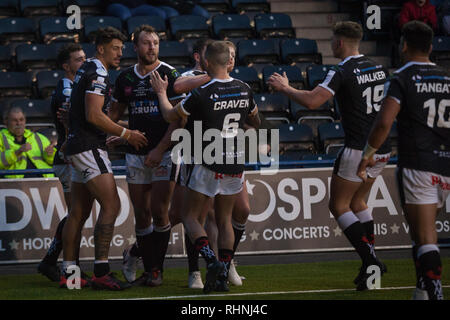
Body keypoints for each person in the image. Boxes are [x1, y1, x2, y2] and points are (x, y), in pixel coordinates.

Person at [268, 21, 390, 291]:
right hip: (380, 148)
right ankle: (369, 267)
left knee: (339, 206)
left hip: (357, 148)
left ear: (339, 43)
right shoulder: (378, 67)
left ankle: (371, 260)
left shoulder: (342, 70)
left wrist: (285, 88)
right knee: (359, 203)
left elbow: (313, 101)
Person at [150, 41, 260, 294]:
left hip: (206, 161)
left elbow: (170, 116)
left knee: (191, 217)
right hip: (235, 161)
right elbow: (255, 119)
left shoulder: (203, 93)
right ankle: (222, 272)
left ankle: (211, 262)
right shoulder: (244, 88)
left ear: (207, 63)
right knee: (224, 221)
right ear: (229, 61)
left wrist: (160, 93)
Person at [357, 21, 449, 300]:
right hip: (446, 163)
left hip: (418, 163)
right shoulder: (446, 77)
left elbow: (383, 123)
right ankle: (422, 289)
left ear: (404, 46)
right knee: (423, 236)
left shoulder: (402, 77)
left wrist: (366, 156)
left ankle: (434, 293)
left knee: (424, 237)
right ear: (431, 47)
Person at [61, 27, 148, 290]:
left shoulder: (85, 68)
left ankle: (70, 274)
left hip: (77, 145)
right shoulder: (98, 71)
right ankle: (101, 270)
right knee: (111, 206)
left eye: (122, 48)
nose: (121, 53)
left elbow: (73, 111)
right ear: (101, 48)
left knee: (78, 212)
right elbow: (94, 115)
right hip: (88, 147)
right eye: (115, 48)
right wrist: (127, 133)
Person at [108, 25, 185, 287]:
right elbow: (114, 114)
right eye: (146, 43)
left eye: (155, 43)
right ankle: (138, 259)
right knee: (142, 215)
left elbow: (179, 120)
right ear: (136, 47)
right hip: (135, 154)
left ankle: (155, 271)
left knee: (160, 212)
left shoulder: (170, 75)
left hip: (166, 152)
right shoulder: (125, 78)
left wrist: (160, 149)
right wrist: (117, 132)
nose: (151, 47)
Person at [37, 43, 86, 282]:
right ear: (66, 66)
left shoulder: (75, 86)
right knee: (76, 214)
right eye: (78, 60)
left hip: (70, 156)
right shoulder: (67, 89)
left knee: (76, 214)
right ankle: (69, 268)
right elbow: (72, 123)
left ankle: (52, 262)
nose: (84, 63)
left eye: (85, 58)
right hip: (68, 158)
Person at [0, 107, 56, 179]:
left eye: (21, 119)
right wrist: (17, 152)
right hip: (15, 183)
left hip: (45, 179)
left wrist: (50, 155)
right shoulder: (1, 137)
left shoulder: (38, 137)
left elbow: (53, 162)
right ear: (6, 121)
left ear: (25, 120)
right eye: (14, 120)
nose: (19, 123)